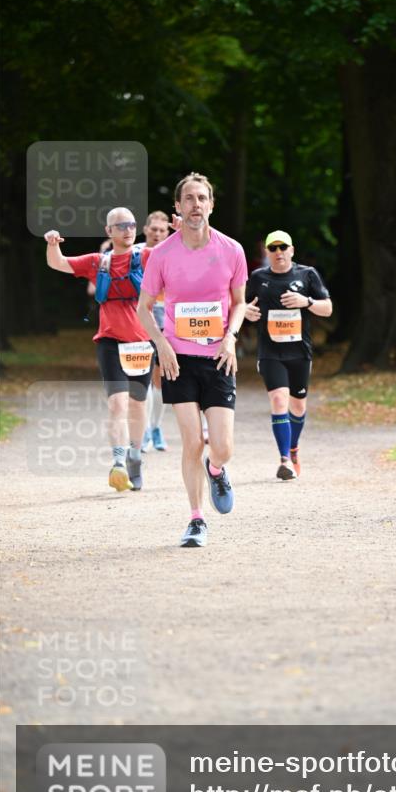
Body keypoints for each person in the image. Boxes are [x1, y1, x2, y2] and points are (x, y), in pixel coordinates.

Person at [137, 172, 247, 548]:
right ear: (178, 208)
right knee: (190, 442)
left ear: (211, 204)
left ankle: (217, 470)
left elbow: (238, 303)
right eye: (189, 199)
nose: (195, 205)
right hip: (177, 360)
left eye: (202, 198)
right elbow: (144, 308)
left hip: (217, 357)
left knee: (222, 446)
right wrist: (161, 345)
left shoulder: (232, 250)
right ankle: (196, 519)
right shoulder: (163, 254)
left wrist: (231, 337)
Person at [44, 208, 153, 492]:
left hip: (142, 341)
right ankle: (118, 463)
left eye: (131, 225)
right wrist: (52, 244)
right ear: (109, 231)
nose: (128, 230)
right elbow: (59, 264)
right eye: (121, 226)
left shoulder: (146, 257)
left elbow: (179, 253)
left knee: (138, 405)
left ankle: (135, 457)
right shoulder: (97, 262)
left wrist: (179, 231)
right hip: (110, 341)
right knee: (117, 404)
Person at [245, 230, 332, 480]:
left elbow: (327, 308)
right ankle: (284, 460)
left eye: (283, 247)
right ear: (267, 253)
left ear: (292, 251)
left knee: (297, 405)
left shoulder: (307, 274)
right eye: (273, 248)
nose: (279, 252)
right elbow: (242, 306)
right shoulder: (258, 277)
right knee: (279, 401)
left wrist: (306, 302)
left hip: (300, 352)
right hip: (270, 351)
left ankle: (293, 449)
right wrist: (247, 314)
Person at [137, 211, 171, 452]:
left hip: (167, 324)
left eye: (162, 230)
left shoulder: (174, 252)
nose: (157, 234)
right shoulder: (136, 252)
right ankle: (146, 430)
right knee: (143, 379)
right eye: (154, 229)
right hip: (139, 322)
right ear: (146, 230)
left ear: (167, 232)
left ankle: (156, 427)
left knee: (160, 380)